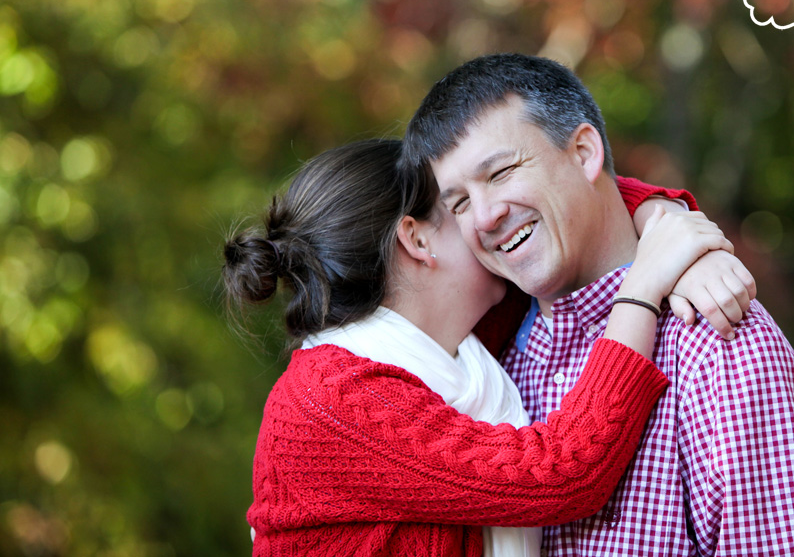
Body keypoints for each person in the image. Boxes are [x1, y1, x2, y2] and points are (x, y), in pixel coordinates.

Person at [223, 137, 746, 556]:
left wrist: (663, 222)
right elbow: (561, 473)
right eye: (459, 206)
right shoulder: (328, 401)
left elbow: (572, 207)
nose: (489, 219)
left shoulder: (461, 345)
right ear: (418, 239)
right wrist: (644, 285)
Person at [402, 53, 794, 556]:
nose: (484, 217)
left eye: (500, 173)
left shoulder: (720, 347)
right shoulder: (480, 354)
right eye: (458, 203)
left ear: (585, 152)